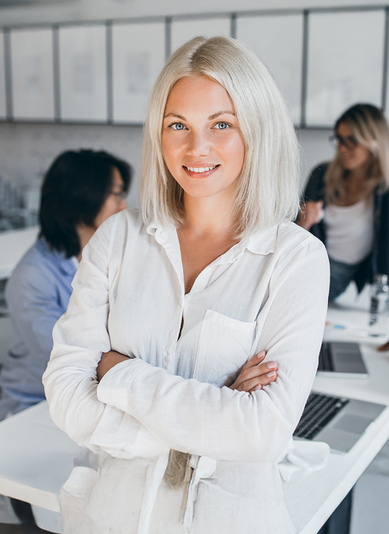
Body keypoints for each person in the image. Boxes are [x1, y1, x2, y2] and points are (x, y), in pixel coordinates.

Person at [43, 37, 329, 534]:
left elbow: (263, 432)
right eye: (179, 125)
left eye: (222, 124)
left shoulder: (296, 258)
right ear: (159, 133)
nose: (197, 148)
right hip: (113, 517)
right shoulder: (118, 238)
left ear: (255, 130)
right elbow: (65, 391)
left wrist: (120, 375)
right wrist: (212, 415)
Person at [0, 149, 132, 421]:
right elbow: (68, 360)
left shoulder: (113, 255)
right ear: (83, 198)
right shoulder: (32, 277)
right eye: (117, 194)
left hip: (103, 394)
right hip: (35, 403)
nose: (124, 206)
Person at [297, 103, 389, 301]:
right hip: (306, 262)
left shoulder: (384, 191)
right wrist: (303, 222)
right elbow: (293, 235)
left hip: (339, 276)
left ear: (373, 141)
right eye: (339, 139)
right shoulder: (321, 175)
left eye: (351, 141)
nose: (342, 148)